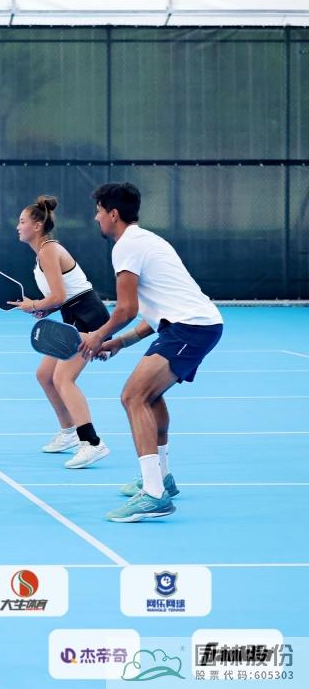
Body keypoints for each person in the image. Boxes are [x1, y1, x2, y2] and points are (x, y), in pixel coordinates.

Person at [78, 182, 224, 523]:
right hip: (188, 326)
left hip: (191, 328)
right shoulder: (145, 240)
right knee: (150, 397)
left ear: (113, 214)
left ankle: (155, 495)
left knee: (133, 396)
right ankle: (162, 478)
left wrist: (98, 336)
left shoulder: (126, 246)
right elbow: (154, 313)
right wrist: (120, 342)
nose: (96, 217)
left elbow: (126, 309)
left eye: (99, 211)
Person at [9, 195, 110, 469]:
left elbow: (58, 295)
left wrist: (34, 305)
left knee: (64, 378)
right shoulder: (42, 254)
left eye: (22, 221)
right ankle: (68, 433)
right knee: (45, 375)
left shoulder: (48, 251)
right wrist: (42, 310)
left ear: (37, 225)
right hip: (73, 315)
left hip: (88, 316)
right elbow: (59, 298)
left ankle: (92, 443)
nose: (18, 226)